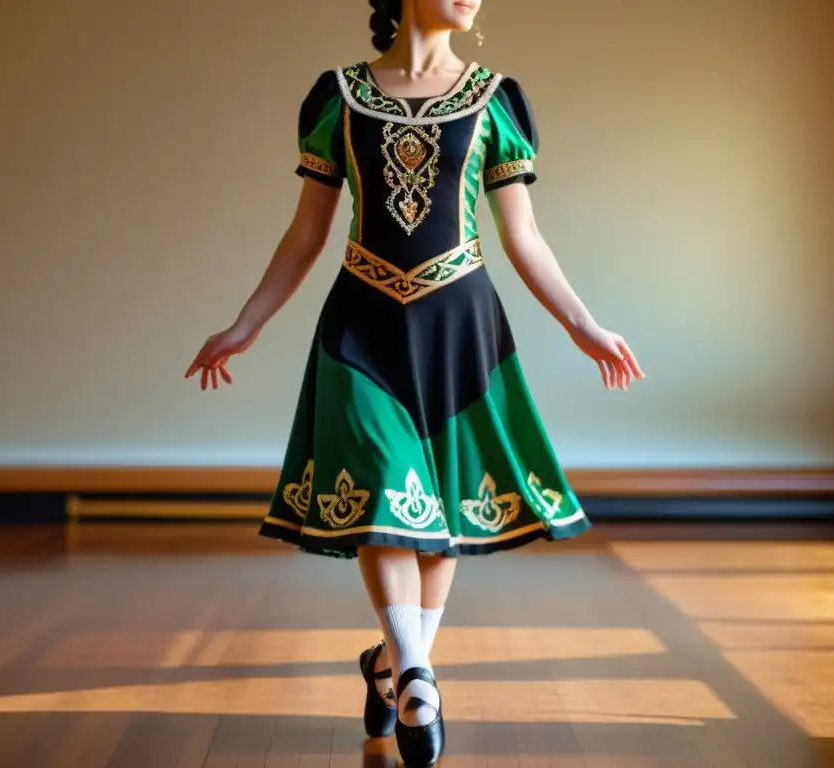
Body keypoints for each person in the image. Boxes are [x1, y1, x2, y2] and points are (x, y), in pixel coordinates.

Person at [185, 0, 644, 763]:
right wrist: (246, 323)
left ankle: (391, 666)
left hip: (461, 324)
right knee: (380, 486)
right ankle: (420, 675)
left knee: (440, 511)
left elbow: (521, 234)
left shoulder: (498, 99)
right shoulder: (339, 94)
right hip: (360, 321)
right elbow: (308, 231)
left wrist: (582, 325)